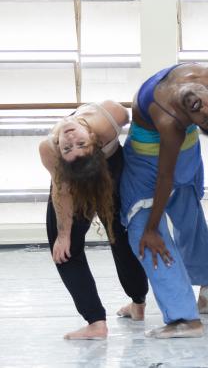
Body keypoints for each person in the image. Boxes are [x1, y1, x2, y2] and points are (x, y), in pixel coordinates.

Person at [119, 63, 208, 338]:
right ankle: (207, 278)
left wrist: (152, 228)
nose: (204, 110)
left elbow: (164, 178)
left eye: (205, 119)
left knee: (144, 236)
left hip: (153, 164)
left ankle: (184, 318)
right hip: (186, 154)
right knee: (188, 216)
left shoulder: (171, 123)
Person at [39, 100, 148, 340]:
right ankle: (98, 321)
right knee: (64, 250)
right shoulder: (50, 150)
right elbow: (63, 190)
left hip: (110, 170)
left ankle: (137, 303)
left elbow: (139, 127)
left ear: (93, 137)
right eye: (68, 148)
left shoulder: (110, 118)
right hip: (72, 177)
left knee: (120, 236)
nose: (69, 141)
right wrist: (64, 235)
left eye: (79, 144)